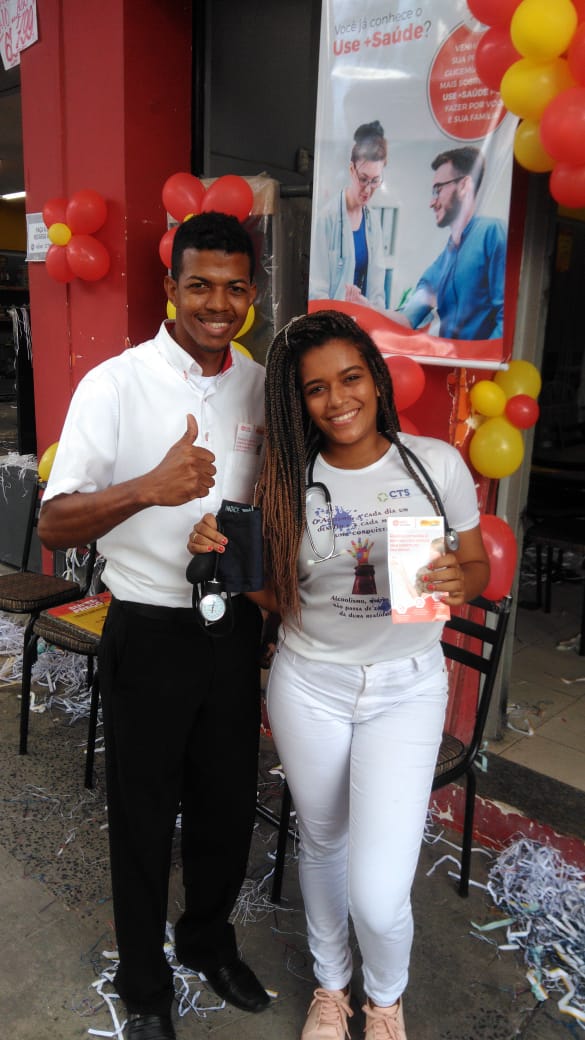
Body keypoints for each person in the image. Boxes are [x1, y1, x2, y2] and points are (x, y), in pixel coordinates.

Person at [191, 310, 490, 1040]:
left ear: (377, 381)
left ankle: (385, 1000)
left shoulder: (434, 465)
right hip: (309, 683)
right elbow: (279, 597)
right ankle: (332, 989)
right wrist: (224, 559)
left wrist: (463, 578)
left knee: (379, 893)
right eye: (315, 388)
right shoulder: (286, 481)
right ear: (299, 401)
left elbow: (477, 564)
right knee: (323, 843)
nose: (337, 399)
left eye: (350, 377)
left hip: (405, 687)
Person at [38, 212, 270, 1040]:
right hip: (146, 627)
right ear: (171, 287)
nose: (217, 304)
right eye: (199, 285)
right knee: (141, 816)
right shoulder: (115, 384)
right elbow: (54, 522)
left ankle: (207, 940)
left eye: (233, 288)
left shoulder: (259, 383)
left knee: (226, 807)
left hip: (232, 628)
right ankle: (143, 984)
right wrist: (148, 487)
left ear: (251, 293)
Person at [390, 146, 506, 341]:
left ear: (464, 186)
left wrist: (483, 357)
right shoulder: (443, 262)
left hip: (482, 359)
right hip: (449, 358)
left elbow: (507, 318)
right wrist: (366, 307)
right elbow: (407, 319)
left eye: (438, 189)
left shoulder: (491, 232)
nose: (432, 202)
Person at [309, 121, 388, 311]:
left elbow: (377, 291)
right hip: (332, 321)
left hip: (364, 320)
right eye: (363, 179)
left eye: (375, 181)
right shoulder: (327, 218)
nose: (368, 189)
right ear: (352, 169)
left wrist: (372, 311)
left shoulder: (373, 221)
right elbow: (317, 291)